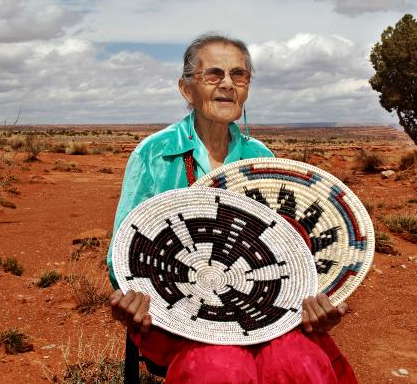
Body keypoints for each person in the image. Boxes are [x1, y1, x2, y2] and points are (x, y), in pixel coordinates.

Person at [106, 33, 358, 383]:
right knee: (219, 369)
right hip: (178, 313)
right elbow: (123, 252)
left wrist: (318, 301)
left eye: (239, 75)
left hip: (261, 308)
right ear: (186, 89)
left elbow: (288, 251)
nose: (228, 84)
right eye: (213, 74)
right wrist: (131, 298)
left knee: (296, 362)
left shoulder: (262, 160)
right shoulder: (153, 154)